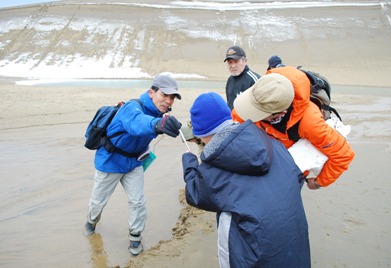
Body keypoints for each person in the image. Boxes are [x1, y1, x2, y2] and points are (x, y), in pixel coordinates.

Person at [182, 92, 310, 267]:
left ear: (201, 133)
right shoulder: (272, 142)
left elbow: (195, 193)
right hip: (294, 246)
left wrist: (189, 163)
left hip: (254, 255)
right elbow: (296, 177)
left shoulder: (213, 167)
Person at [83, 73, 182, 256]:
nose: (168, 101)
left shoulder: (160, 115)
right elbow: (137, 124)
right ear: (151, 92)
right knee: (98, 202)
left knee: (138, 201)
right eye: (164, 95)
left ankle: (135, 238)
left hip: (134, 162)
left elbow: (155, 125)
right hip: (110, 161)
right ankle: (91, 222)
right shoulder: (132, 107)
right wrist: (157, 124)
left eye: (172, 97)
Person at [232, 72, 355, 190]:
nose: (247, 113)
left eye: (256, 112)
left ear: (280, 114)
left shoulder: (310, 123)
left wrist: (319, 182)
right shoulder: (265, 90)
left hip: (292, 170)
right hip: (267, 157)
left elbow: (343, 154)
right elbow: (237, 117)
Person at [224, 45, 260, 110]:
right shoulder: (230, 80)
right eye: (230, 62)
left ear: (245, 61)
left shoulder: (255, 80)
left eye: (236, 61)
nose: (233, 66)